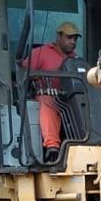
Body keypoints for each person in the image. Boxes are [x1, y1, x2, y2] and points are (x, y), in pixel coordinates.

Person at [21, 21, 81, 161]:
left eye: (75, 39)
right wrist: (38, 76)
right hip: (47, 94)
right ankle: (52, 147)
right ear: (59, 36)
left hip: (70, 97)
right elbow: (23, 72)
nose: (72, 41)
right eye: (69, 37)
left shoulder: (75, 58)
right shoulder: (41, 53)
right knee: (48, 102)